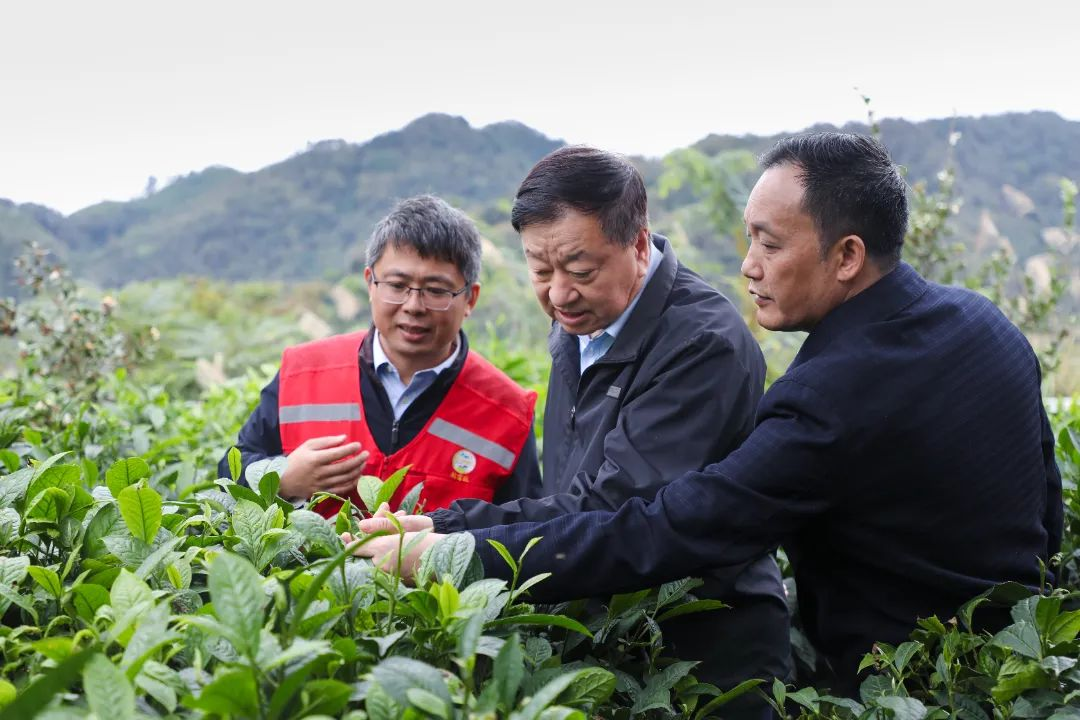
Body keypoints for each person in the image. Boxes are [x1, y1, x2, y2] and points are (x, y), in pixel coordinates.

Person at [349, 134, 1063, 696]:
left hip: (904, 684)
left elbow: (667, 525)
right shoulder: (985, 323)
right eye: (750, 238)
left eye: (770, 244)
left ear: (847, 255)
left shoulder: (824, 393)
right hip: (1012, 664)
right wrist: (452, 527)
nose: (748, 265)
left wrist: (456, 548)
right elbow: (1046, 507)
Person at [357, 147, 792, 701]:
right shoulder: (582, 321)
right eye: (540, 271)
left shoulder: (701, 344)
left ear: (638, 245)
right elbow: (568, 492)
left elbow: (617, 511)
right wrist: (443, 525)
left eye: (581, 271)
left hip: (702, 657)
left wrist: (454, 548)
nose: (559, 293)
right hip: (608, 634)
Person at [219, 194, 540, 517]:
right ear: (370, 284)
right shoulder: (303, 372)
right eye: (397, 285)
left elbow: (522, 527)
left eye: (436, 290)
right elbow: (229, 476)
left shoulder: (508, 412)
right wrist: (284, 479)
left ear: (470, 298)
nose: (413, 306)